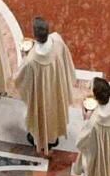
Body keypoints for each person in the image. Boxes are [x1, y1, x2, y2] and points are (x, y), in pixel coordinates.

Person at [19, 18, 75, 150]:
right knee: (54, 112)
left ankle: (37, 137)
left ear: (35, 35)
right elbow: (66, 59)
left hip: (40, 95)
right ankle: (52, 138)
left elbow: (22, 80)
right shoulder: (57, 40)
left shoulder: (31, 60)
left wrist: (24, 57)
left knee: (39, 114)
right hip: (56, 89)